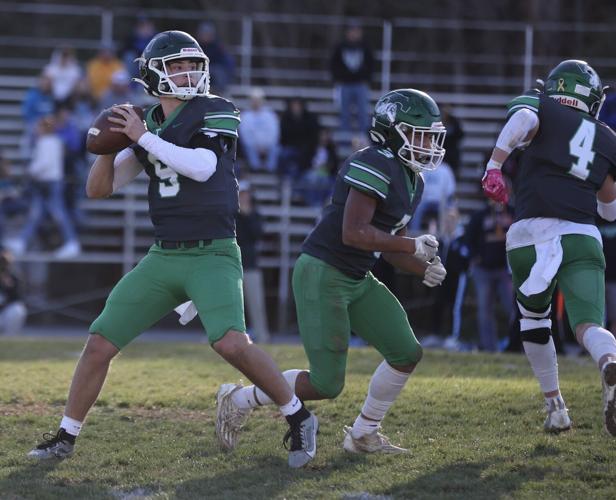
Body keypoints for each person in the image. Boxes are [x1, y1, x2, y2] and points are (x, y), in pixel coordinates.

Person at [27, 30, 317, 469]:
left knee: (232, 344)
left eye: (191, 64)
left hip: (213, 253)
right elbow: (99, 190)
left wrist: (141, 138)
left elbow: (203, 167)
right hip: (164, 255)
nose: (187, 72)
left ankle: (298, 416)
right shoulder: (147, 125)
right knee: (100, 342)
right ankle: (66, 436)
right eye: (176, 65)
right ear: (153, 74)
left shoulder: (215, 110)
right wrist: (108, 147)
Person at [216, 89, 448, 454]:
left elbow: (390, 243)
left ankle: (363, 434)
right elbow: (354, 232)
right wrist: (410, 246)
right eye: (419, 134)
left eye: (431, 136)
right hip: (323, 273)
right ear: (393, 131)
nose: (428, 144)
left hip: (357, 276)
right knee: (326, 383)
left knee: (406, 353)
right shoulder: (373, 162)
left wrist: (422, 266)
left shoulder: (413, 180)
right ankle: (239, 400)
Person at [481, 59, 616, 436]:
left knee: (535, 321)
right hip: (582, 237)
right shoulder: (607, 137)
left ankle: (556, 407)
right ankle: (609, 358)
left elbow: (523, 121)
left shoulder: (541, 104)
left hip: (531, 234)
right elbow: (609, 209)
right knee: (588, 324)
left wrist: (495, 164)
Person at [5, 116, 81, 258]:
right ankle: (22, 241)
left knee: (58, 213)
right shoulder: (51, 142)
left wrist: (30, 171)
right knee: (36, 213)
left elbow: (44, 164)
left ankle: (72, 242)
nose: (36, 129)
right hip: (45, 183)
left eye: (39, 127)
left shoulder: (48, 142)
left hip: (50, 183)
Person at [464, 199, 515, 352]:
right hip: (483, 270)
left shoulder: (513, 212)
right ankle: (489, 348)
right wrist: (476, 257)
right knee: (485, 311)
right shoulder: (480, 214)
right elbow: (468, 238)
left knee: (513, 308)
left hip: (505, 270)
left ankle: (517, 344)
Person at [236, 181, 270, 343]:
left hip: (250, 265)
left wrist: (247, 216)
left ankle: (263, 336)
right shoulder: (231, 214)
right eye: (242, 193)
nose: (244, 197)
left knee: (256, 305)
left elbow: (258, 234)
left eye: (246, 193)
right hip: (232, 265)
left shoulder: (254, 214)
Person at [330, 21, 374, 135]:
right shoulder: (340, 46)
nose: (354, 34)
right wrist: (338, 78)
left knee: (363, 114)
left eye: (357, 31)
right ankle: (344, 141)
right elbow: (333, 64)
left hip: (360, 84)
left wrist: (367, 78)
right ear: (347, 33)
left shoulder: (365, 46)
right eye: (352, 31)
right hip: (345, 84)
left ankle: (364, 140)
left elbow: (371, 63)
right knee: (344, 114)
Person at [238, 87, 279, 173]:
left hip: (268, 145)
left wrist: (265, 145)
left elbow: (274, 133)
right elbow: (245, 135)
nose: (256, 102)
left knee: (275, 148)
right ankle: (255, 169)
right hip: (252, 146)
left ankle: (270, 170)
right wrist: (256, 146)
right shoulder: (245, 115)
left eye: (258, 100)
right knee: (248, 147)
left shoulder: (270, 115)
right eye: (254, 100)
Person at [0, 249, 27, 336]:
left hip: (6, 311)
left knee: (18, 310)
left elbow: (19, 296)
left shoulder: (14, 276)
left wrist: (8, 286)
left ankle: (10, 337)